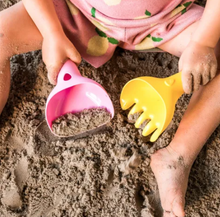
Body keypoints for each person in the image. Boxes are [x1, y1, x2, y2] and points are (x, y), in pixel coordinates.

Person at [0, 0, 220, 216]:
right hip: (75, 12)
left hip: (167, 19)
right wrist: (51, 32)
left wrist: (204, 42)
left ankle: (177, 156)